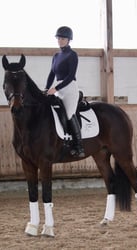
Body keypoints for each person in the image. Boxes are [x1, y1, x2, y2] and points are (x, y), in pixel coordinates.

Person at [45, 26, 85, 158]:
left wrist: (56, 88)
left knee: (69, 114)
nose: (60, 41)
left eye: (63, 38)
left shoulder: (72, 55)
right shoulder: (56, 56)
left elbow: (70, 76)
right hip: (58, 88)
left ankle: (79, 146)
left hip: (69, 88)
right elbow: (51, 74)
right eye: (59, 38)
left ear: (69, 40)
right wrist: (46, 89)